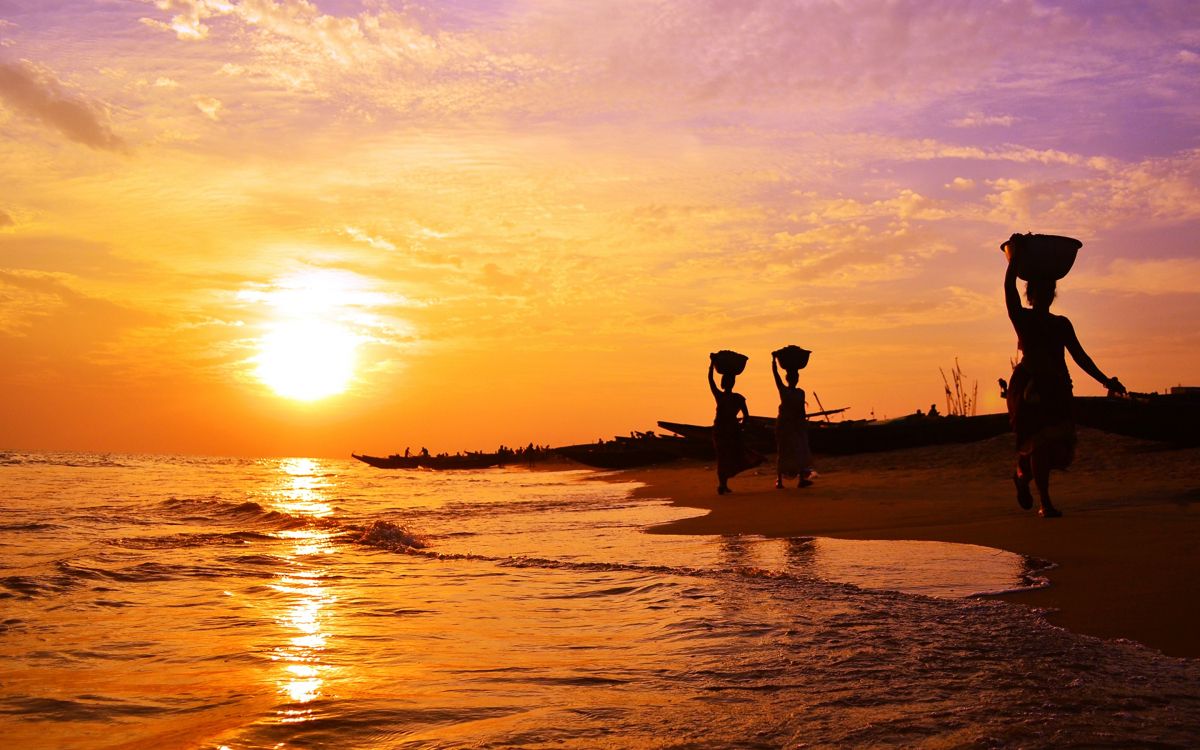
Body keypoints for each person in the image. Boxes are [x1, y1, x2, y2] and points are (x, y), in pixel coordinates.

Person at [1004, 238, 1125, 517]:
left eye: (1050, 290)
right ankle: (1045, 503)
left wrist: (1106, 380)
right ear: (1031, 295)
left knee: (1061, 453)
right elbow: (1009, 289)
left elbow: (1080, 356)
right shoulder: (1023, 319)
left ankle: (1022, 475)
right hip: (1030, 390)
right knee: (1040, 444)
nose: (1046, 294)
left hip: (1057, 388)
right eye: (1041, 290)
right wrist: (1015, 258)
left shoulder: (1061, 324)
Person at [709, 361, 762, 494]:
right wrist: (741, 427)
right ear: (733, 383)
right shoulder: (738, 398)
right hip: (730, 430)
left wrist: (711, 365)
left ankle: (722, 485)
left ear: (723, 383)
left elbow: (710, 381)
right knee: (729, 456)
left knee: (723, 458)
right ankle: (723, 485)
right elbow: (746, 416)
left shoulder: (720, 396)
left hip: (721, 430)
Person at [772, 354, 814, 489]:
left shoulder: (800, 392)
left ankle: (801, 479)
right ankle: (779, 480)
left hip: (796, 424)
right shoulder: (784, 390)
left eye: (796, 377)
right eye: (793, 377)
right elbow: (776, 376)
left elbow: (801, 410)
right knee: (784, 451)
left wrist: (803, 423)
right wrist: (773, 361)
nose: (795, 379)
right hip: (785, 426)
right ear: (789, 379)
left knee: (799, 450)